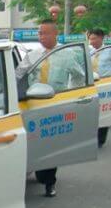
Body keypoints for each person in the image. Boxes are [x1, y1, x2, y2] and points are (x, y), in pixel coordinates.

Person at [16, 19, 83, 197]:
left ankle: (49, 183)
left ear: (55, 34)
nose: (42, 37)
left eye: (45, 33)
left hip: (55, 104)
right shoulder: (33, 55)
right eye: (40, 33)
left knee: (50, 145)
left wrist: (71, 96)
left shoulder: (67, 54)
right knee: (33, 143)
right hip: (33, 105)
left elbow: (79, 76)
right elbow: (17, 75)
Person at [88, 29, 109, 148]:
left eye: (94, 38)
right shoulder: (88, 52)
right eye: (90, 39)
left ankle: (101, 138)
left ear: (101, 38)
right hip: (91, 85)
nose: (92, 41)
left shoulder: (110, 51)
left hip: (105, 84)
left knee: (104, 111)